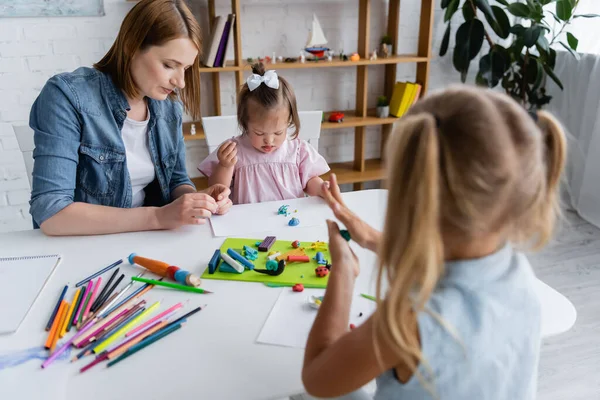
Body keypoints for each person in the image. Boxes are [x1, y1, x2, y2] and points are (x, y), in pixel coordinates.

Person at [302, 86, 567, 399]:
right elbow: (450, 262)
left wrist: (343, 273)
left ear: (413, 199)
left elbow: (317, 378)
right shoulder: (516, 272)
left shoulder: (411, 320)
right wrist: (369, 237)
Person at [28, 0, 231, 236]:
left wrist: (196, 199)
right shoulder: (67, 96)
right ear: (131, 46)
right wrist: (158, 216)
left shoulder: (168, 108)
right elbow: (52, 212)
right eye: (168, 65)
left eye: (185, 68)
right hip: (83, 247)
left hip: (146, 241)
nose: (181, 82)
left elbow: (177, 180)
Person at [197, 63, 330, 205]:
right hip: (249, 221)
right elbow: (217, 189)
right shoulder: (235, 150)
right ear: (245, 123)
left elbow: (309, 182)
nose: (269, 140)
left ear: (289, 122)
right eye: (259, 133)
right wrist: (224, 166)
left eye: (278, 132)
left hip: (290, 219)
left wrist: (322, 189)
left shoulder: (297, 149)